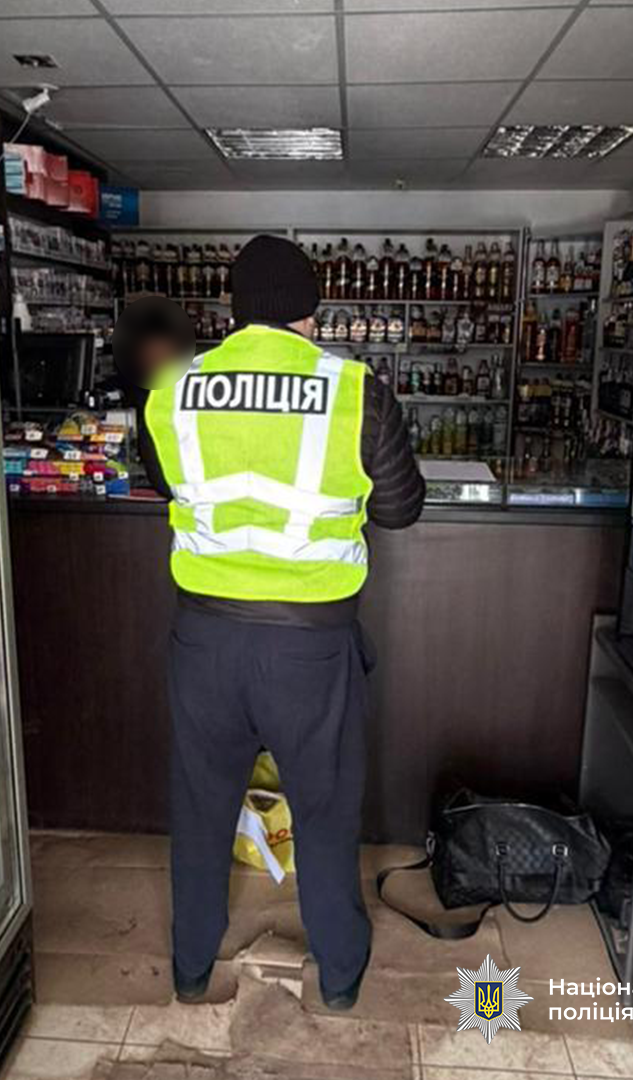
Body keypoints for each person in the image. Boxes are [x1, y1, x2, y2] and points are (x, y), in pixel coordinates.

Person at [140, 234, 425, 1012]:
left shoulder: (173, 389)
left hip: (205, 640)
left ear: (233, 312)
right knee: (325, 812)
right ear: (309, 314)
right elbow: (400, 508)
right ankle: (339, 977)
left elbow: (162, 480)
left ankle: (191, 967)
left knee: (201, 808)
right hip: (310, 647)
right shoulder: (355, 391)